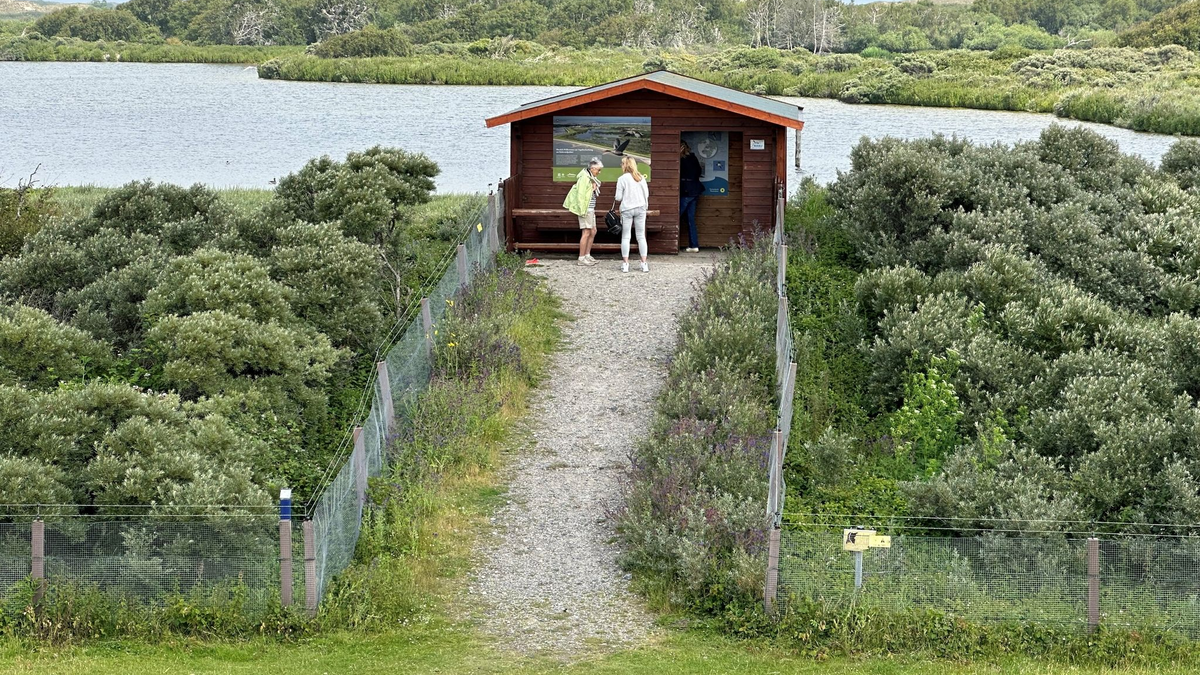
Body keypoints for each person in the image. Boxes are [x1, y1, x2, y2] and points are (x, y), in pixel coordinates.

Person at [563, 157, 602, 266]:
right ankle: (581, 257)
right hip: (586, 209)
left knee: (593, 231)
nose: (599, 172)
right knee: (586, 232)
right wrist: (582, 210)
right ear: (592, 168)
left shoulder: (590, 177)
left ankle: (587, 255)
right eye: (598, 170)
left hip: (591, 208)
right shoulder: (584, 178)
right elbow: (581, 195)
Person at [615, 155, 650, 273]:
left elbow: (618, 198)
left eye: (622, 163)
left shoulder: (622, 179)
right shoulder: (640, 177)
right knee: (641, 236)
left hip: (627, 209)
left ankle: (625, 264)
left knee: (626, 236)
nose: (621, 165)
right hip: (640, 208)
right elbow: (646, 194)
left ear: (625, 165)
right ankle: (644, 263)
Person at [679, 141, 703, 252]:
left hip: (687, 191)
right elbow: (699, 171)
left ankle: (667, 243)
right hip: (695, 190)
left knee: (675, 216)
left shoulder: (682, 159)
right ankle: (694, 245)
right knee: (690, 219)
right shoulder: (693, 158)